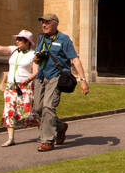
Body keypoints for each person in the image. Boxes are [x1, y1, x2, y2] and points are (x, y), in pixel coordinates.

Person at [32, 13, 89, 152]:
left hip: (56, 77)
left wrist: (83, 80)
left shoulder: (64, 40)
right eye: (42, 22)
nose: (44, 25)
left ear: (55, 23)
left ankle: (47, 140)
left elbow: (75, 60)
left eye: (47, 22)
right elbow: (35, 58)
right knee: (38, 108)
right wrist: (37, 59)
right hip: (41, 77)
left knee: (48, 107)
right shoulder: (41, 38)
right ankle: (61, 126)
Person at [0, 30, 39, 146]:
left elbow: (36, 72)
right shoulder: (14, 50)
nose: (17, 41)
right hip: (11, 86)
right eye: (17, 39)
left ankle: (45, 132)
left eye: (20, 39)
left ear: (27, 42)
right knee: (9, 111)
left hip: (25, 87)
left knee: (27, 113)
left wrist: (28, 79)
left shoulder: (33, 55)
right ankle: (11, 138)